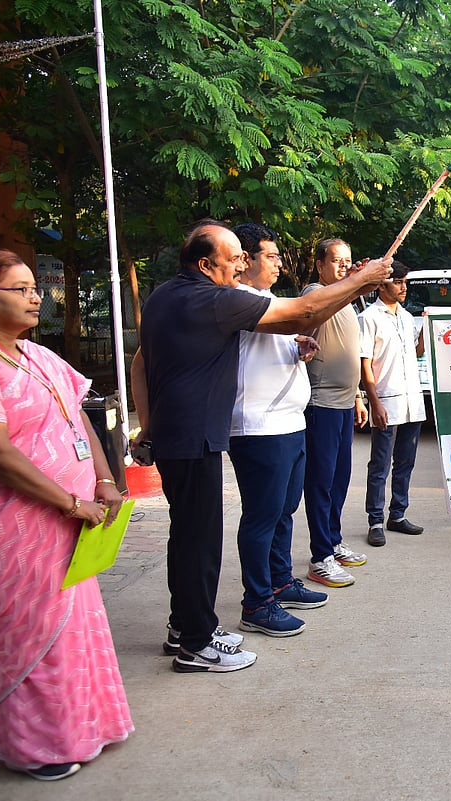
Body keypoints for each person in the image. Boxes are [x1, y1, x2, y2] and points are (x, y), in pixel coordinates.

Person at [132, 222, 390, 672]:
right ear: (204, 264)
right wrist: (362, 280)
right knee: (200, 543)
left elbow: (142, 363)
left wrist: (148, 427)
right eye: (233, 258)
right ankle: (197, 643)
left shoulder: (166, 296)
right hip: (195, 436)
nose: (240, 266)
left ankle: (184, 626)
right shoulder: (215, 299)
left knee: (189, 537)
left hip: (182, 434)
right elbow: (305, 311)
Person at [0, 249, 133, 780]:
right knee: (30, 635)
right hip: (11, 528)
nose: (35, 296)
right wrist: (69, 501)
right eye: (19, 289)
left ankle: (86, 726)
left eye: (34, 287)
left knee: (75, 628)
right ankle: (38, 746)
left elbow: (78, 420)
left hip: (70, 523)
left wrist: (103, 480)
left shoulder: (38, 356)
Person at [228, 224, 329, 638]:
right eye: (270, 256)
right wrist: (359, 284)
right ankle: (256, 602)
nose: (278, 264)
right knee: (262, 516)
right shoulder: (237, 299)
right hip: (259, 427)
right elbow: (307, 311)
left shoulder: (267, 300)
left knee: (284, 510)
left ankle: (280, 581)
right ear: (245, 259)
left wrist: (297, 346)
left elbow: (282, 335)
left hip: (289, 423)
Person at [301, 238, 375, 582]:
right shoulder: (316, 293)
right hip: (321, 405)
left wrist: (358, 396)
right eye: (336, 260)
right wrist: (356, 282)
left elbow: (349, 353)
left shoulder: (347, 301)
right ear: (320, 265)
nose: (344, 266)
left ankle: (333, 541)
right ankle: (320, 556)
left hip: (344, 404)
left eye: (348, 260)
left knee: (339, 480)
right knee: (321, 483)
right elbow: (316, 312)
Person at [360, 263, 427, 546]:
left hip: (412, 400)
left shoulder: (407, 317)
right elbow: (364, 362)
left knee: (405, 462)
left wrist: (428, 329)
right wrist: (373, 401)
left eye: (404, 282)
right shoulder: (368, 318)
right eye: (397, 282)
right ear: (381, 285)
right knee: (380, 464)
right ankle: (375, 520)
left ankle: (397, 514)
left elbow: (416, 353)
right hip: (386, 400)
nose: (403, 287)